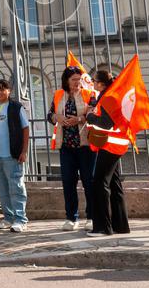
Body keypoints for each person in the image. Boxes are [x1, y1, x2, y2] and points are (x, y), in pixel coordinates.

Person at [48, 65, 96, 231]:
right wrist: (57, 117)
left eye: (79, 79)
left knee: (89, 182)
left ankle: (91, 217)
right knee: (68, 182)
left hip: (85, 145)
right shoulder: (58, 94)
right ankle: (71, 218)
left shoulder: (89, 94)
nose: (77, 82)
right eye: (74, 79)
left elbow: (94, 113)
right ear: (66, 80)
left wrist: (80, 119)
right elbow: (49, 115)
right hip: (66, 146)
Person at [85, 69, 130, 237]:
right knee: (114, 184)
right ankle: (121, 225)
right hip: (116, 143)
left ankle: (102, 227)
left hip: (110, 145)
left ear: (101, 84)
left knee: (99, 183)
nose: (92, 83)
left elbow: (106, 123)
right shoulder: (109, 94)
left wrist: (90, 117)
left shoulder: (108, 97)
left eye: (94, 81)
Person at [0, 79, 30, 232]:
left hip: (11, 154)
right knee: (2, 187)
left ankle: (20, 219)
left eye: (2, 89)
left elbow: (25, 129)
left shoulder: (16, 107)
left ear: (9, 91)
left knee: (16, 187)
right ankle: (8, 217)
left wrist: (24, 151)